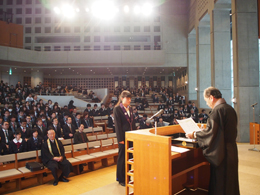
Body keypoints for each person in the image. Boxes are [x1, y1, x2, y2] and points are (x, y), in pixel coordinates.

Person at [186, 87, 240, 195]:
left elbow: (211, 134)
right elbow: (218, 131)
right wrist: (207, 130)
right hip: (232, 150)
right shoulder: (230, 108)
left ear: (212, 97)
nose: (207, 104)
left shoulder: (217, 111)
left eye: (207, 101)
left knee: (221, 183)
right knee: (230, 181)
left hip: (222, 153)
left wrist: (194, 134)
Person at [113, 90, 137, 186]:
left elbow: (133, 123)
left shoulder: (130, 109)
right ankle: (121, 178)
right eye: (128, 98)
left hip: (131, 137)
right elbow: (118, 126)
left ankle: (128, 177)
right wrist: (120, 140)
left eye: (130, 99)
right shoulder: (117, 109)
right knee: (122, 158)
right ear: (122, 98)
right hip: (123, 138)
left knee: (129, 158)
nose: (129, 100)